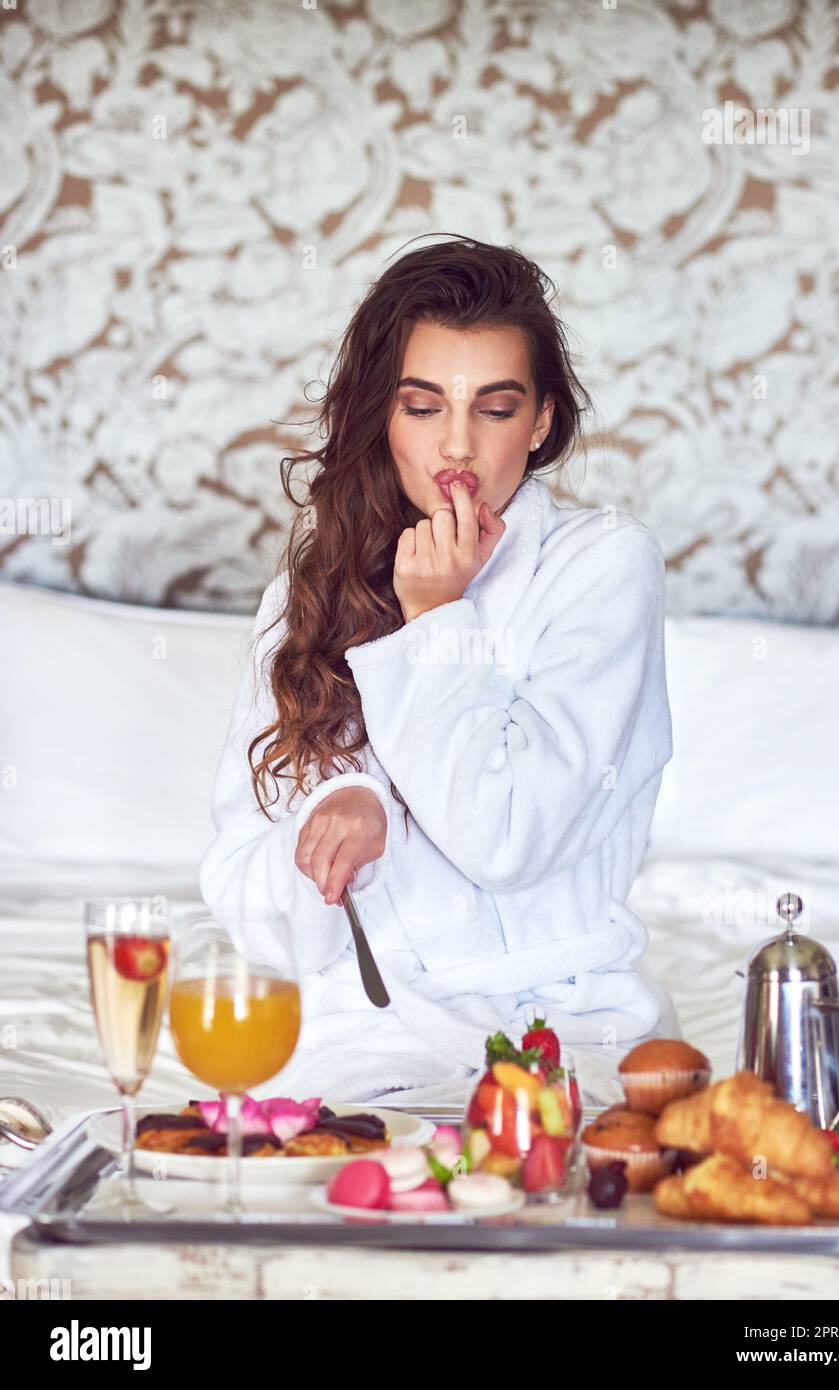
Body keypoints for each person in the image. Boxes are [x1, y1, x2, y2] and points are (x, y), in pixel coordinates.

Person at [199, 233, 679, 1107]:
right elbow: (251, 916)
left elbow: (507, 839)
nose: (456, 446)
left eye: (494, 409)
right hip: (366, 1039)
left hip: (572, 1029)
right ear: (384, 415)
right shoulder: (299, 602)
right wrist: (339, 817)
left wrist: (434, 619)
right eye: (423, 407)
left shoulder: (605, 566)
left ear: (539, 422)